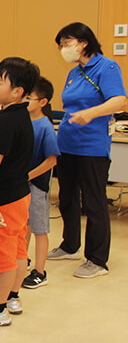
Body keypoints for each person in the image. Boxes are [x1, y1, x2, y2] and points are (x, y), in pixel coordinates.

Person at [48, 22, 127, 278]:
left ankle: (97, 260)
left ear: (84, 42)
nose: (64, 49)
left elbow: (119, 101)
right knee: (67, 198)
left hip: (92, 147)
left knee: (94, 203)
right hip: (68, 144)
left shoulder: (107, 67)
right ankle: (70, 245)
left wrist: (90, 114)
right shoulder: (75, 72)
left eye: (67, 42)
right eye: (61, 45)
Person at [0, 57, 39, 326]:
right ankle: (12, 295)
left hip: (3, 199)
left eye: (0, 82)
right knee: (17, 248)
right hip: (20, 193)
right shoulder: (21, 115)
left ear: (17, 92)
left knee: (1, 255)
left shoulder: (5, 124)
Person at [23, 77, 60, 289]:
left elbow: (52, 160)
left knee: (39, 228)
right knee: (24, 224)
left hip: (37, 185)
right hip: (22, 185)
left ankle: (40, 270)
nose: (25, 101)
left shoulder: (45, 126)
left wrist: (29, 175)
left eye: (30, 98)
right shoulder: (24, 122)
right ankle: (24, 258)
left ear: (43, 102)